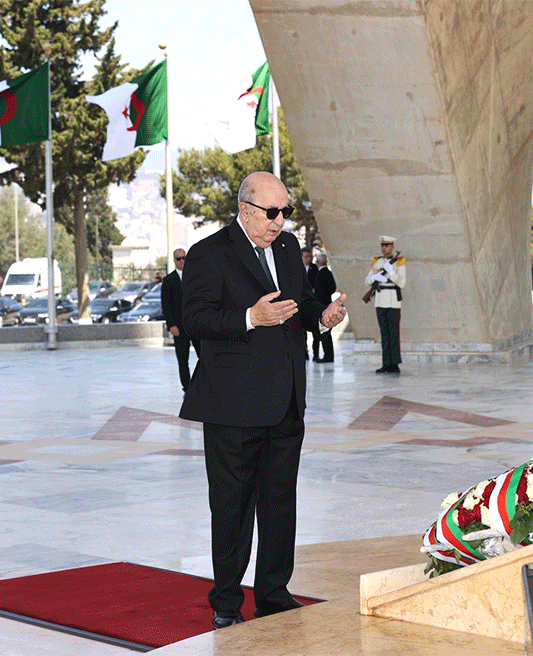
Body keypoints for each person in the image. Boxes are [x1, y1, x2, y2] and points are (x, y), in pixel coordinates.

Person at [179, 171, 347, 629]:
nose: (279, 222)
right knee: (231, 508)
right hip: (233, 405)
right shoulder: (208, 254)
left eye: (285, 212)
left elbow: (303, 303)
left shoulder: (289, 250)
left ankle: (273, 593)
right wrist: (251, 317)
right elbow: (195, 319)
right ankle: (227, 603)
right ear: (246, 209)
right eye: (272, 213)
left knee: (279, 503)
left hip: (286, 401)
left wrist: (324, 317)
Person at [365, 235, 406, 373]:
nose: (384, 248)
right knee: (384, 333)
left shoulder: (399, 262)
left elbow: (402, 283)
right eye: (383, 245)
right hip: (380, 300)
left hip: (393, 300)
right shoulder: (377, 262)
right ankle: (386, 363)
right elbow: (367, 281)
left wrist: (391, 273)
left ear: (392, 247)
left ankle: (395, 363)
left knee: (393, 333)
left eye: (387, 245)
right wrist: (375, 277)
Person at [161, 247, 200, 391]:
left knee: (204, 357)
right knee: (183, 361)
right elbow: (166, 304)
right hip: (179, 327)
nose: (182, 261)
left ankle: (201, 385)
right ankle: (187, 388)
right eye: (179, 258)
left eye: (184, 258)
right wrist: (171, 325)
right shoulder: (169, 280)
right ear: (174, 261)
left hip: (196, 326)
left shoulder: (195, 277)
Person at [313, 253, 337, 362]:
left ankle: (328, 356)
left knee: (324, 332)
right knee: (327, 332)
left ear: (317, 262)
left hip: (322, 306)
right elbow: (332, 288)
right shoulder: (329, 273)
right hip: (328, 304)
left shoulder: (319, 274)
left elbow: (319, 292)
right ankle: (329, 355)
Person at [300, 246, 321, 361]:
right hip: (300, 303)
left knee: (315, 332)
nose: (308, 259)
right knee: (302, 332)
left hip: (312, 301)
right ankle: (304, 353)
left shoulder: (315, 268)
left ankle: (316, 353)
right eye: (306, 256)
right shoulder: (296, 267)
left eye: (310, 256)